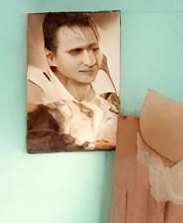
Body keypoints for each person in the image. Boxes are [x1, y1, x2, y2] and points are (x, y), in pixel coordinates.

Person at [27, 12, 119, 153]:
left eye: (94, 49)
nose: (91, 61)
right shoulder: (36, 91)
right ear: (51, 57)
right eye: (76, 51)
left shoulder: (106, 90)